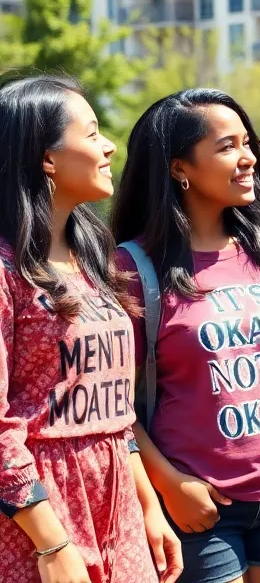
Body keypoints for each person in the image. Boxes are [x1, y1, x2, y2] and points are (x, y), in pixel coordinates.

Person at [111, 89, 260, 583]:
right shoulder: (132, 268)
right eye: (226, 147)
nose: (248, 159)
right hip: (200, 502)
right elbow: (112, 402)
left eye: (247, 143)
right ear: (180, 168)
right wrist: (168, 484)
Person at [0, 76, 181, 583]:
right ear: (47, 158)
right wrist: (51, 543)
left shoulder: (91, 258)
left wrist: (147, 505)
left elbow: (113, 409)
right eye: (93, 132)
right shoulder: (5, 271)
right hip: (35, 514)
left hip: (117, 503)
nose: (108, 146)